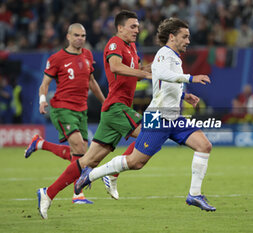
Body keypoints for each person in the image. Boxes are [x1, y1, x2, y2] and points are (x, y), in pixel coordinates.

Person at [75, 17, 216, 212]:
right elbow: (163, 75)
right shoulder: (163, 54)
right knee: (135, 162)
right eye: (185, 37)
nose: (188, 41)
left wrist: (184, 95)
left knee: (204, 145)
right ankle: (91, 175)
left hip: (174, 117)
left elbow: (166, 84)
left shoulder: (174, 56)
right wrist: (191, 77)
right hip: (158, 117)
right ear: (172, 37)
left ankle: (194, 195)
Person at [36, 10, 152, 219]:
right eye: (133, 26)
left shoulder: (131, 47)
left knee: (87, 160)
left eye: (138, 26)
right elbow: (116, 67)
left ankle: (48, 193)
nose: (137, 30)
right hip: (117, 107)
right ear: (120, 27)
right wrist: (144, 73)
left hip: (112, 109)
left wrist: (157, 67)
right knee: (150, 133)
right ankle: (113, 173)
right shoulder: (114, 43)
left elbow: (140, 68)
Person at [25, 23, 105, 205]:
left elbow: (92, 81)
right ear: (68, 36)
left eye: (83, 35)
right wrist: (42, 100)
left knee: (81, 155)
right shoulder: (57, 58)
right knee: (80, 148)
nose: (80, 38)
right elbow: (44, 83)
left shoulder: (87, 55)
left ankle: (41, 144)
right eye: (76, 35)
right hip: (62, 108)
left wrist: (105, 102)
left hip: (81, 110)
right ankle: (75, 193)